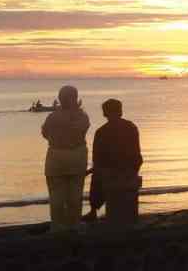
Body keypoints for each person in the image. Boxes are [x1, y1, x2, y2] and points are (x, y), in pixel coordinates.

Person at [41, 85, 90, 232]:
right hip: (76, 157)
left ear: (60, 98)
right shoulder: (81, 116)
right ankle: (74, 223)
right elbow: (83, 129)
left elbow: (44, 133)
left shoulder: (52, 116)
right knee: (75, 194)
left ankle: (57, 225)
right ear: (75, 98)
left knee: (56, 195)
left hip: (56, 157)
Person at [88, 98, 143, 227]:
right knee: (100, 170)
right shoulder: (131, 126)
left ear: (104, 113)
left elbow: (97, 158)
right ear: (120, 111)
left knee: (96, 174)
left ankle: (93, 210)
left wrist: (94, 169)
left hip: (112, 171)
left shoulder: (101, 132)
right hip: (130, 168)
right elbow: (136, 152)